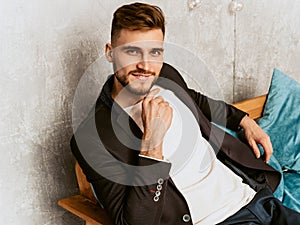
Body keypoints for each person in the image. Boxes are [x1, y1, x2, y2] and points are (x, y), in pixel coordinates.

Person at [70, 2, 300, 224]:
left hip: (257, 199)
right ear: (110, 53)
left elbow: (198, 101)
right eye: (132, 52)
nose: (145, 65)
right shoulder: (92, 138)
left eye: (154, 52)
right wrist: (152, 146)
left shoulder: (166, 76)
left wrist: (243, 120)